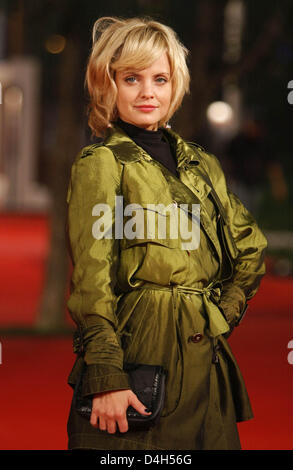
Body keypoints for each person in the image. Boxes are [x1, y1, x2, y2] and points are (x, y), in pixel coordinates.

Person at [65, 16, 267, 450]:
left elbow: (251, 249)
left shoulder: (201, 164)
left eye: (160, 78)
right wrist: (105, 376)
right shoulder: (101, 163)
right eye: (131, 78)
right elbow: (91, 279)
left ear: (176, 85)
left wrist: (221, 314)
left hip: (207, 364)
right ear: (108, 84)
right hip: (138, 361)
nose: (147, 91)